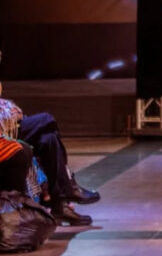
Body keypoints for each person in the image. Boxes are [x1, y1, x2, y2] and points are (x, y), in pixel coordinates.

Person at [0, 84, 99, 226]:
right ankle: (68, 188)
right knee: (47, 119)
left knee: (49, 139)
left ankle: (60, 204)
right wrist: (9, 114)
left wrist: (11, 110)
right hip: (4, 134)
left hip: (10, 128)